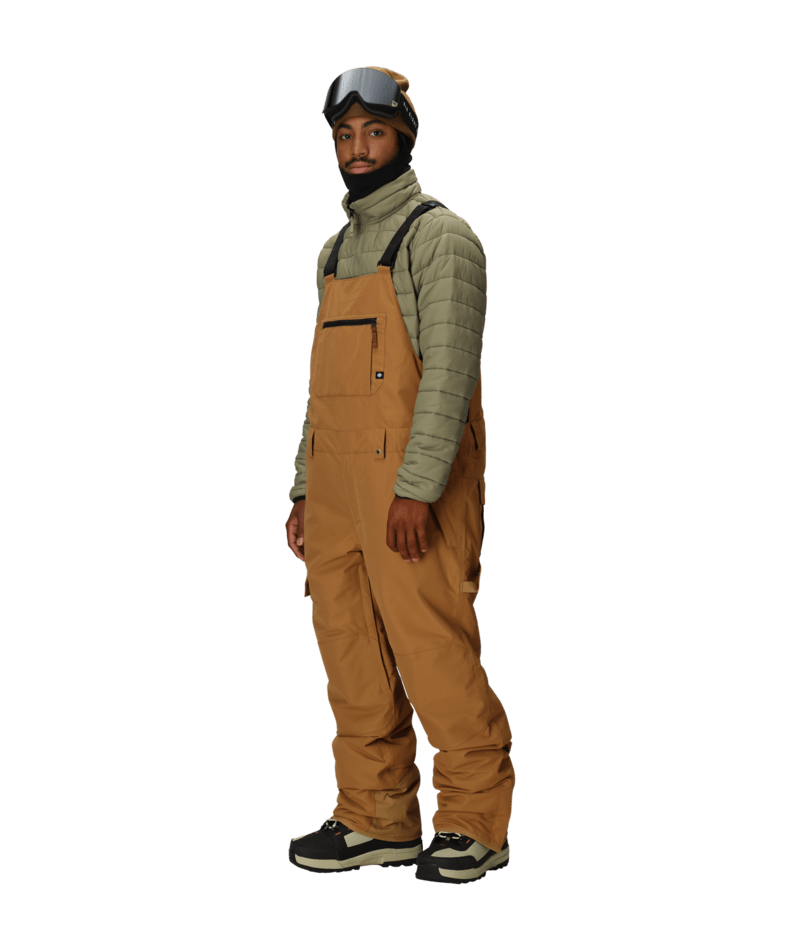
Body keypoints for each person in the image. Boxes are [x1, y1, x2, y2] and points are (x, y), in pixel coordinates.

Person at [285, 66, 515, 885]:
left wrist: (417, 489)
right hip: (337, 489)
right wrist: (303, 488)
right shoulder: (334, 250)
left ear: (404, 137)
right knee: (350, 654)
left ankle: (474, 824)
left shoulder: (440, 235)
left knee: (431, 650)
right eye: (344, 135)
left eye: (373, 132)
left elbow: (449, 375)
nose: (356, 149)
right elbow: (319, 386)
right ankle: (374, 817)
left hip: (412, 483)